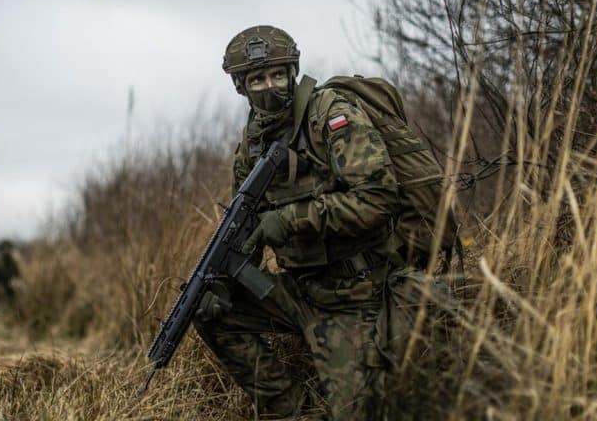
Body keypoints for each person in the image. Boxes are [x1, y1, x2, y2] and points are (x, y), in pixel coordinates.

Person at [192, 25, 452, 420]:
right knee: (210, 310)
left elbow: (377, 198)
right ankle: (295, 413)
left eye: (278, 75)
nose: (269, 86)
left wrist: (292, 219)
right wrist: (221, 284)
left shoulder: (331, 114)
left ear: (293, 71)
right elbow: (244, 235)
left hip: (357, 294)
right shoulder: (251, 145)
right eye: (257, 79)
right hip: (302, 292)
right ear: (241, 87)